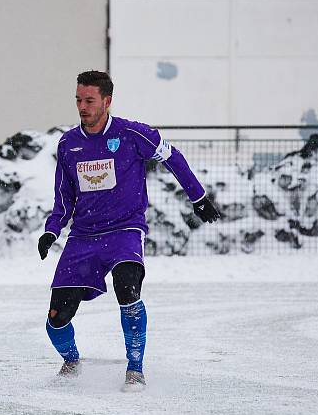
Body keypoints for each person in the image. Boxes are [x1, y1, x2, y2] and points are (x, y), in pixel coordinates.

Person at [37, 71, 220, 392]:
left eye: (89, 100)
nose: (82, 106)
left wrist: (198, 197)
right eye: (78, 100)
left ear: (106, 101)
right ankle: (72, 361)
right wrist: (52, 230)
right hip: (83, 236)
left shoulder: (133, 134)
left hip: (125, 230)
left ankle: (135, 369)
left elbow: (172, 157)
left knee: (127, 287)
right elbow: (64, 196)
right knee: (56, 316)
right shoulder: (69, 144)